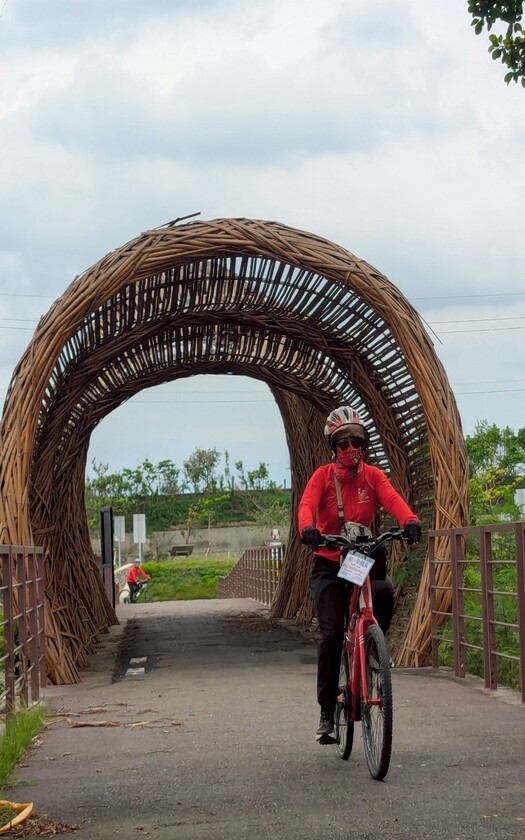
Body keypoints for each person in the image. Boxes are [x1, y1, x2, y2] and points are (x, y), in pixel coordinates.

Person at [298, 405, 422, 741]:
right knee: (331, 633)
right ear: (333, 448)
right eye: (343, 443)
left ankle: (372, 647)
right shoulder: (322, 477)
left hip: (359, 557)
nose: (352, 449)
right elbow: (306, 505)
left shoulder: (373, 476)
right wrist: (308, 528)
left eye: (357, 442)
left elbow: (393, 499)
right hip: (329, 561)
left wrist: (409, 521)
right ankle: (327, 710)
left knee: (383, 592)